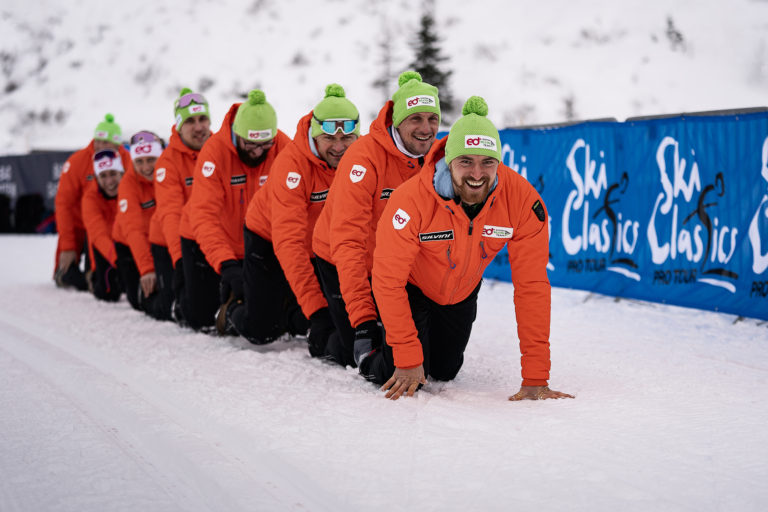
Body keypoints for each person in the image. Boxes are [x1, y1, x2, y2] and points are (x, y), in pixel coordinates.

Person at [361, 96, 574, 402]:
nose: (477, 174)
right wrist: (407, 357)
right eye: (465, 162)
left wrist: (535, 376)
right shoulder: (411, 199)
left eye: (488, 162)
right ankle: (367, 353)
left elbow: (532, 287)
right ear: (449, 162)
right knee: (407, 374)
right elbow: (388, 278)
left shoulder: (523, 202)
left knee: (445, 371)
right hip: (412, 287)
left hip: (460, 292)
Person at [311, 70, 440, 367]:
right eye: (415, 119)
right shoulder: (363, 158)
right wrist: (364, 319)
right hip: (341, 258)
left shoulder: (435, 156)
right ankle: (325, 333)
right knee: (355, 350)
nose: (425, 128)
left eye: (432, 118)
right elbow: (348, 239)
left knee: (433, 359)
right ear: (398, 120)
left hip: (392, 267)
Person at [220, 84, 360, 351]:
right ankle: (233, 305)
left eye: (347, 138)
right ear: (315, 136)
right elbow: (289, 243)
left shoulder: (361, 160)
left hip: (320, 245)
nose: (339, 147)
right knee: (262, 331)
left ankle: (288, 304)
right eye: (329, 139)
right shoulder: (292, 165)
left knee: (335, 316)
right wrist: (316, 312)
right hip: (269, 238)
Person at [183, 89, 290, 331]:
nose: (258, 152)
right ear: (237, 134)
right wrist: (226, 264)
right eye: (250, 144)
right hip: (211, 242)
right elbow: (203, 216)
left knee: (270, 316)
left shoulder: (282, 146)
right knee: (199, 317)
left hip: (259, 243)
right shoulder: (214, 153)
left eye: (265, 145)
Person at [153, 88, 212, 324]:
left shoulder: (220, 149)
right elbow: (171, 214)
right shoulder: (167, 162)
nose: (198, 127)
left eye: (202, 119)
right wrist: (180, 261)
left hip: (207, 237)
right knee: (174, 309)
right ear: (178, 125)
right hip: (172, 243)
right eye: (190, 121)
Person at [54, 114, 130, 290]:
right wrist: (67, 246)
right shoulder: (77, 161)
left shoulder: (128, 161)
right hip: (79, 225)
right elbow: (63, 204)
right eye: (98, 141)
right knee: (69, 273)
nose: (100, 147)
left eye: (106, 143)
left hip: (115, 223)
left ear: (117, 146)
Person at [112, 131, 170, 318]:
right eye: (139, 161)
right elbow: (133, 230)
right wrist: (147, 269)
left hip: (160, 241)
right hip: (129, 244)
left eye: (151, 160)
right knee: (138, 298)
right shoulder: (128, 183)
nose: (146, 167)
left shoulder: (169, 172)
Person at [82, 149, 125, 302]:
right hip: (103, 248)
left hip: (126, 244)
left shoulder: (130, 189)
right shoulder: (90, 198)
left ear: (121, 173)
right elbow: (98, 236)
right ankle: (91, 275)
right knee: (107, 292)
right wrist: (120, 262)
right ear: (96, 177)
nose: (109, 182)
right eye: (103, 176)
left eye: (113, 174)